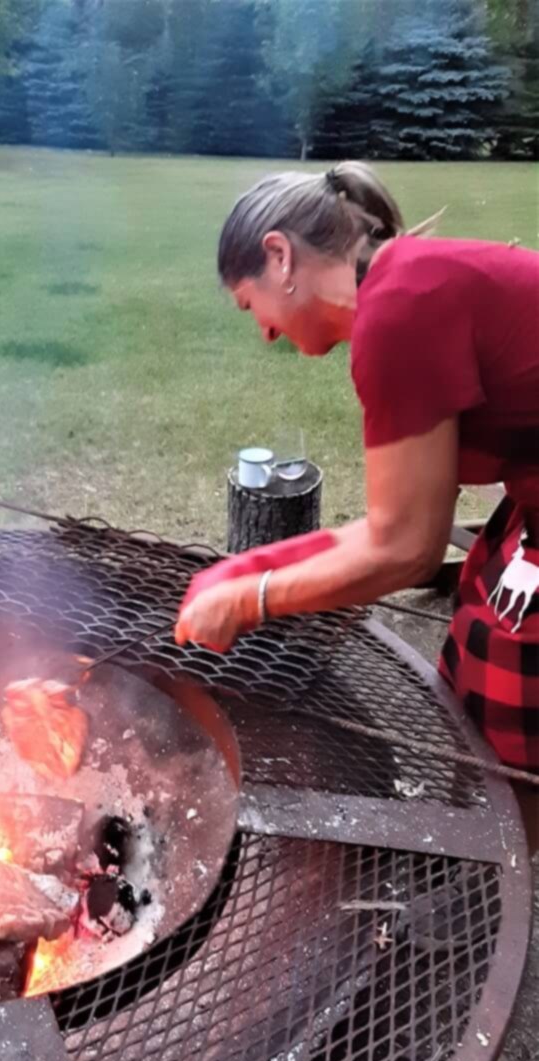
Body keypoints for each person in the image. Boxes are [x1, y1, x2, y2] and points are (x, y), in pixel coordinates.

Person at [175, 162, 539, 797]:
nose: (263, 333)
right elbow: (390, 527)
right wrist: (246, 569)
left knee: (508, 688)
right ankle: (484, 829)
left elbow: (407, 550)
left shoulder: (401, 311)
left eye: (249, 303)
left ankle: (501, 848)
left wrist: (248, 600)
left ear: (279, 256)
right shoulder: (404, 286)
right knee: (479, 619)